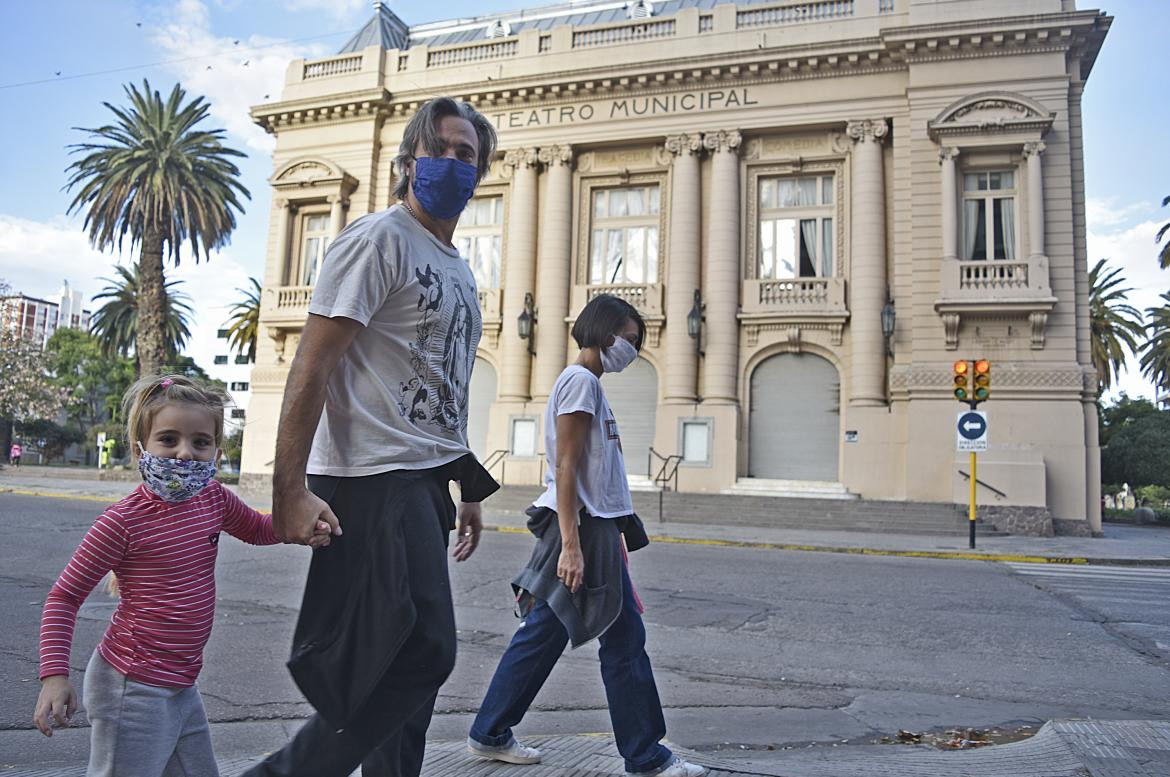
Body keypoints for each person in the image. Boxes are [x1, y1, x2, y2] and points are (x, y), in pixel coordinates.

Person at [244, 96, 500, 777]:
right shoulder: (377, 239)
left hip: (422, 476)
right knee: (425, 649)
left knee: (399, 669)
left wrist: (465, 481)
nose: (452, 162)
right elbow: (313, 364)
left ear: (482, 171)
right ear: (408, 160)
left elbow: (442, 384)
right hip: (370, 475)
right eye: (439, 148)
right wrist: (288, 489)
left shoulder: (456, 267)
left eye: (466, 154)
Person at [32, 375, 334, 776]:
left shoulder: (213, 498)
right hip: (132, 686)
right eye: (169, 439)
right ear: (141, 449)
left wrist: (299, 527)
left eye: (200, 442)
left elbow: (259, 528)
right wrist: (54, 677)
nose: (185, 453)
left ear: (216, 451)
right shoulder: (123, 521)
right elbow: (63, 597)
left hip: (181, 684)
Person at [467, 295, 706, 777]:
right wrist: (574, 545)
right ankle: (647, 757)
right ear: (604, 332)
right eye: (630, 339)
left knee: (545, 631)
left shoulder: (587, 384)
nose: (632, 350)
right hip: (583, 526)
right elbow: (567, 466)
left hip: (590, 524)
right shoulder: (580, 383)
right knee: (623, 641)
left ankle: (490, 730)